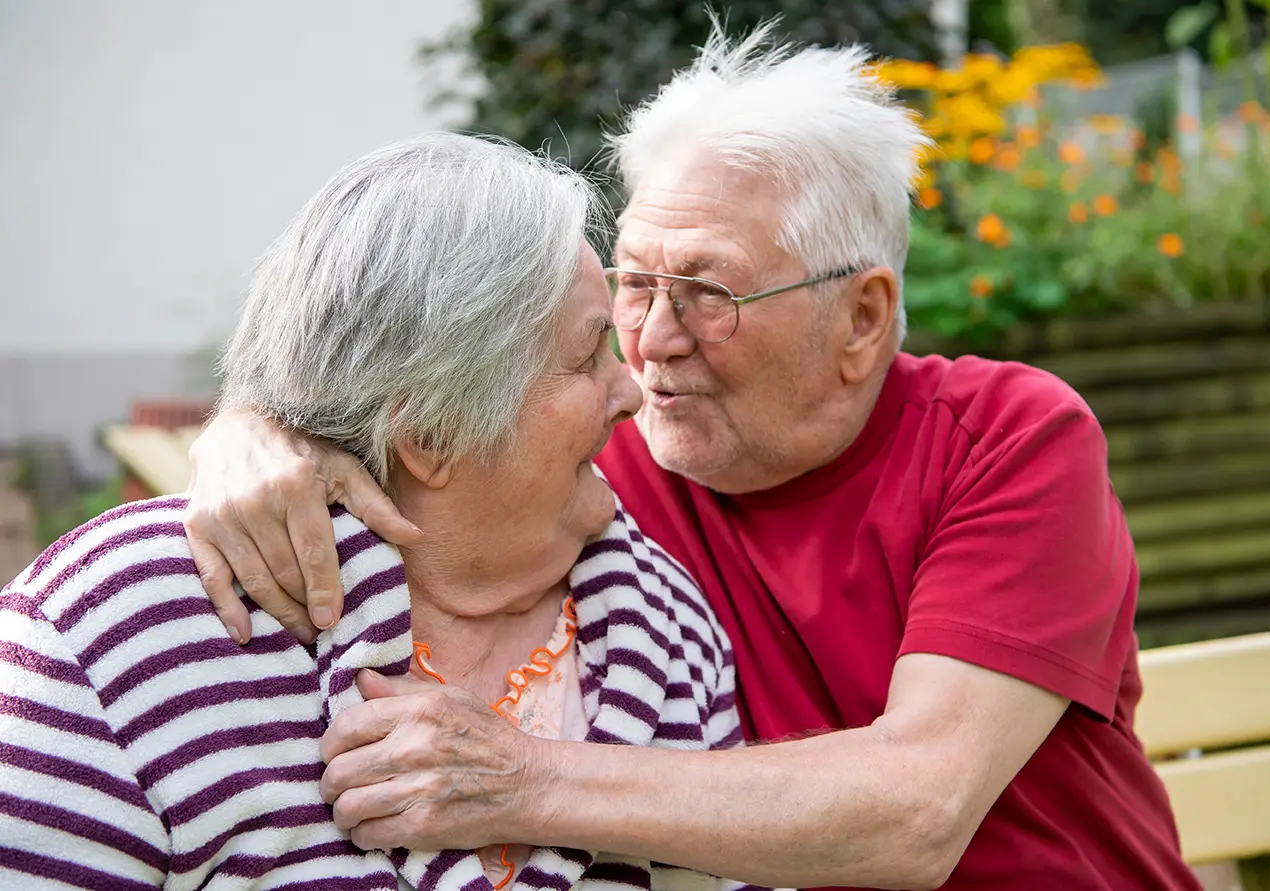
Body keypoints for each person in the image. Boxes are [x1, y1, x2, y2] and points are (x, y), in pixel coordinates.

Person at [180, 24, 1204, 891]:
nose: (651, 343)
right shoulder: (604, 457)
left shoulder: (1009, 437)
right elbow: (407, 380)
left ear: (860, 318)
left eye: (707, 293)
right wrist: (260, 428)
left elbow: (918, 808)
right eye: (633, 281)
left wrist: (516, 779)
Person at [0, 133, 756, 891]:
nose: (633, 389)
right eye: (591, 355)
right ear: (430, 434)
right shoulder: (119, 624)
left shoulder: (665, 623)